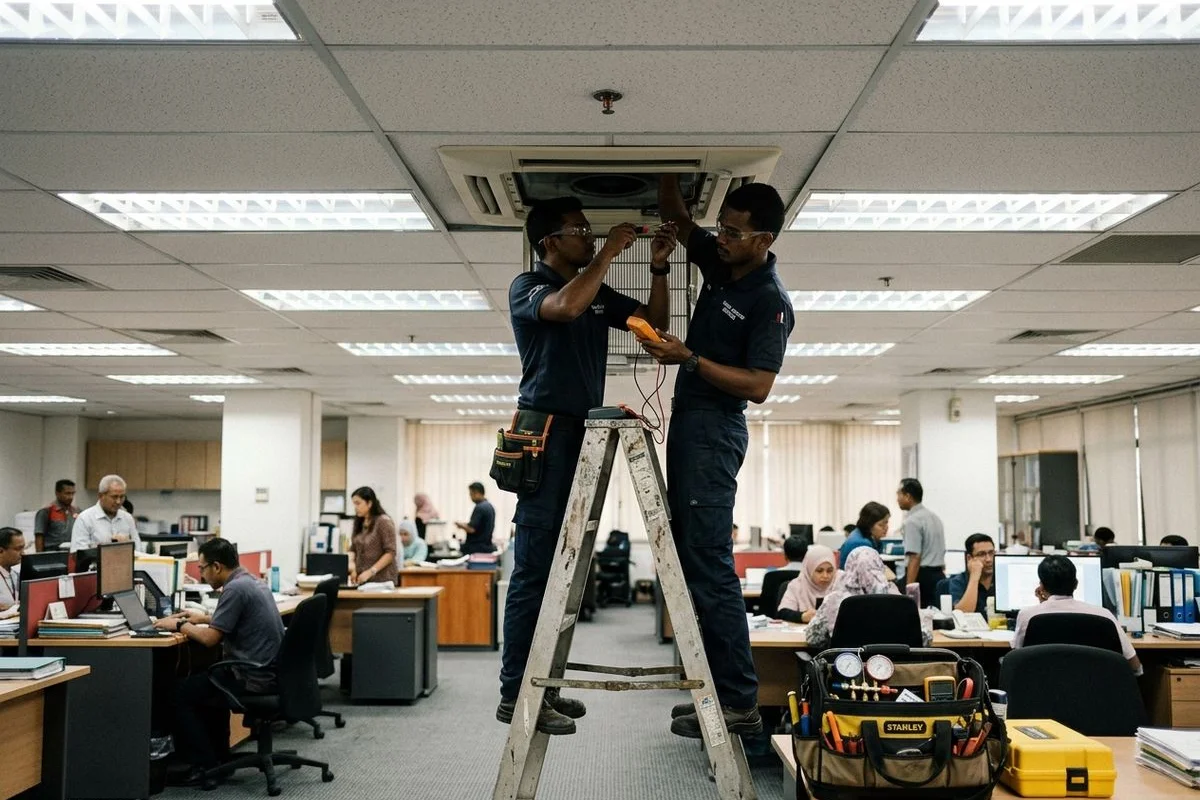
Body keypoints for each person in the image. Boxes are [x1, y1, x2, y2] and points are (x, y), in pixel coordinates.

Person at [497, 196, 673, 736]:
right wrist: (611, 252)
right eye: (579, 230)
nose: (590, 237)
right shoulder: (529, 287)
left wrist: (659, 268)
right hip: (544, 433)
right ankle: (515, 695)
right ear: (550, 241)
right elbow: (566, 308)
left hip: (581, 431)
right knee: (533, 568)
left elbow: (653, 326)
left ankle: (545, 684)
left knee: (564, 568)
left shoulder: (594, 292)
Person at [644, 177, 793, 741]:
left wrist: (691, 357)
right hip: (690, 423)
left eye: (733, 232)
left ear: (764, 239)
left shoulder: (769, 301)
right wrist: (672, 173)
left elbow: (758, 385)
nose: (720, 238)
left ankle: (738, 703)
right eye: (722, 228)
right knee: (689, 562)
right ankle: (712, 690)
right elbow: (681, 222)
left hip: (716, 429)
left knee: (709, 566)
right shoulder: (723, 263)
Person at [153, 538, 285, 784]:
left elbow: (211, 639)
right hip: (267, 672)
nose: (200, 575)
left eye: (201, 568)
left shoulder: (233, 590)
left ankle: (206, 766)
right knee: (207, 681)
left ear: (216, 566)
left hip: (251, 677)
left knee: (177, 693)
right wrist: (203, 617)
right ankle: (219, 758)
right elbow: (231, 619)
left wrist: (181, 624)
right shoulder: (250, 581)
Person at [1012, 555, 1141, 674]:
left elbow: (1018, 657)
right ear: (1076, 584)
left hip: (1042, 693)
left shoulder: (1028, 616)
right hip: (1097, 694)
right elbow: (1134, 664)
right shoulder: (1104, 615)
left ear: (1042, 586)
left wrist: (1042, 605)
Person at [806, 547, 933, 650]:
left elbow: (814, 639)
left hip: (848, 673)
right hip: (899, 671)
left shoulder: (836, 600)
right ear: (879, 566)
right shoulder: (900, 600)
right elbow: (925, 638)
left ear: (849, 568)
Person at [898, 478, 946, 608]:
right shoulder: (934, 517)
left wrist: (909, 593)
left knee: (919, 619)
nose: (897, 498)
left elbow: (915, 557)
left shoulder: (912, 521)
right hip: (938, 576)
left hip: (922, 577)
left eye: (899, 494)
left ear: (908, 496)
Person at [71, 474, 140, 551]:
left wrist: (127, 543)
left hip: (125, 562)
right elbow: (79, 553)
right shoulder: (85, 518)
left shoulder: (127, 518)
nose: (118, 501)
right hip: (95, 563)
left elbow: (139, 549)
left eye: (122, 497)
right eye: (114, 497)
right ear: (101, 496)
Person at [348, 486, 398, 585]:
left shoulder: (383, 521)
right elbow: (353, 549)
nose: (355, 507)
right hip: (362, 579)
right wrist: (353, 568)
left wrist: (371, 571)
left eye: (358, 503)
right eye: (354, 504)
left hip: (382, 579)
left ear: (369, 503)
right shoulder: (359, 522)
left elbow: (390, 552)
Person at [777, 544, 837, 624]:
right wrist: (802, 616)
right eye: (819, 571)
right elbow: (782, 613)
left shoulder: (840, 582)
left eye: (829, 571)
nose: (825, 576)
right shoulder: (797, 585)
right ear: (809, 569)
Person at [948, 533, 996, 617]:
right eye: (981, 554)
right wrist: (974, 577)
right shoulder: (958, 581)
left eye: (991, 553)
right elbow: (962, 614)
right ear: (969, 558)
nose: (988, 559)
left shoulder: (1003, 577)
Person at [34, 478, 79, 553]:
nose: (71, 497)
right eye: (67, 493)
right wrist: (39, 558)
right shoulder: (46, 511)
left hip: (71, 552)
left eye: (73, 493)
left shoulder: (77, 511)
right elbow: (39, 536)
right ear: (57, 493)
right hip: (52, 553)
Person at [839, 502, 891, 566]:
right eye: (881, 525)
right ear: (869, 525)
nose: (886, 527)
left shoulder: (864, 535)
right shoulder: (861, 544)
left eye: (886, 522)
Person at [456, 482, 497, 555]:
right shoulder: (490, 507)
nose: (470, 497)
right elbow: (480, 525)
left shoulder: (480, 507)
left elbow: (472, 529)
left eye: (471, 494)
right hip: (487, 546)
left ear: (476, 493)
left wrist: (460, 525)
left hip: (476, 548)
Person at [0, 527, 25, 610]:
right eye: (18, 549)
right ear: (1, 551)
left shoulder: (16, 574)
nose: (23, 553)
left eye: (23, 548)